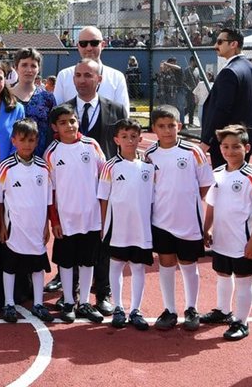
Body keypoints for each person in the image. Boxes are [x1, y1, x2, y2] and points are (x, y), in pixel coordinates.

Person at [63, 58, 128, 313]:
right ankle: (71, 294)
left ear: (99, 79)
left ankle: (103, 292)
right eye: (78, 75)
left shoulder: (116, 109)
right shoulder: (64, 110)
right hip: (73, 188)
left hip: (106, 187)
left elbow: (122, 145)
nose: (82, 80)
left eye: (88, 75)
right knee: (71, 239)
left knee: (104, 240)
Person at [143, 105, 213, 332]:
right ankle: (169, 309)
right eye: (161, 126)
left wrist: (189, 203)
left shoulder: (193, 152)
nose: (167, 130)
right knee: (166, 263)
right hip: (161, 221)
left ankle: (191, 308)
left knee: (189, 264)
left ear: (179, 126)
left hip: (188, 222)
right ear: (153, 128)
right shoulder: (149, 155)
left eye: (171, 125)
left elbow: (205, 185)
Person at [200, 124, 252, 341]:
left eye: (235, 147)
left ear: (247, 148)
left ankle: (242, 321)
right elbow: (211, 205)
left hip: (242, 240)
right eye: (225, 146)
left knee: (243, 278)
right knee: (223, 274)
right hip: (222, 238)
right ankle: (223, 310)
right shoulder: (218, 174)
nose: (229, 151)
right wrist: (206, 229)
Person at [44, 104, 106, 325]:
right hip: (66, 219)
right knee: (67, 262)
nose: (69, 126)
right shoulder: (51, 153)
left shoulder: (91, 145)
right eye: (63, 122)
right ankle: (69, 301)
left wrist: (103, 215)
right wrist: (55, 220)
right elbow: (50, 191)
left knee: (88, 262)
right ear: (55, 127)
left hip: (91, 217)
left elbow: (105, 177)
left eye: (72, 120)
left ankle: (85, 302)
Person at [97, 118, 157, 331]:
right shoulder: (110, 166)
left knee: (138, 267)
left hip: (141, 226)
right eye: (124, 137)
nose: (129, 141)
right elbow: (103, 198)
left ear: (140, 139)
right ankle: (119, 308)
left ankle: (136, 310)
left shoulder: (149, 166)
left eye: (133, 137)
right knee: (116, 264)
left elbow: (153, 197)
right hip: (118, 226)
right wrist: (103, 225)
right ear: (116, 140)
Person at [0, 119, 54, 324]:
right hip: (14, 226)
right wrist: (1, 224)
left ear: (37, 141)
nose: (27, 144)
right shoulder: (6, 167)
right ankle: (9, 303)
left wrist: (46, 225)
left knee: (37, 267)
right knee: (10, 266)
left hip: (36, 226)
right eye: (22, 140)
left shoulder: (43, 167)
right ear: (14, 141)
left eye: (31, 140)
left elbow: (48, 200)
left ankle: (38, 303)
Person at [199, 28, 252, 169]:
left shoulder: (229, 72)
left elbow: (221, 109)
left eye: (220, 42)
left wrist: (207, 141)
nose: (215, 46)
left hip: (227, 141)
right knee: (240, 179)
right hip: (243, 139)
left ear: (233, 44)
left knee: (225, 182)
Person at [53, 26, 131, 113]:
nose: (89, 48)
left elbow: (123, 116)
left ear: (103, 45)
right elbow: (57, 114)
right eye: (83, 43)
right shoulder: (64, 76)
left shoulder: (117, 77)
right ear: (78, 46)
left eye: (94, 43)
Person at [10, 48, 58, 157]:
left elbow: (53, 129)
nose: (29, 69)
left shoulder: (47, 97)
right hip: (11, 160)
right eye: (24, 65)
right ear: (16, 67)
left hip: (41, 159)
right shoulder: (6, 97)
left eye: (33, 66)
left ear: (38, 69)